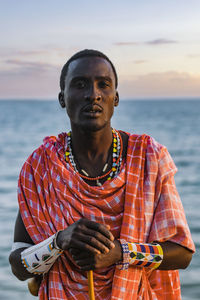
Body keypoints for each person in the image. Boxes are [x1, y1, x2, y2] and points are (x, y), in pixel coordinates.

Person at [9, 49, 195, 300]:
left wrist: (119, 253)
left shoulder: (149, 157)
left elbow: (182, 253)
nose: (93, 94)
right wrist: (59, 242)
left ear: (115, 98)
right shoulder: (41, 167)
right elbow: (19, 267)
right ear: (62, 98)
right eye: (80, 84)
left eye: (103, 84)